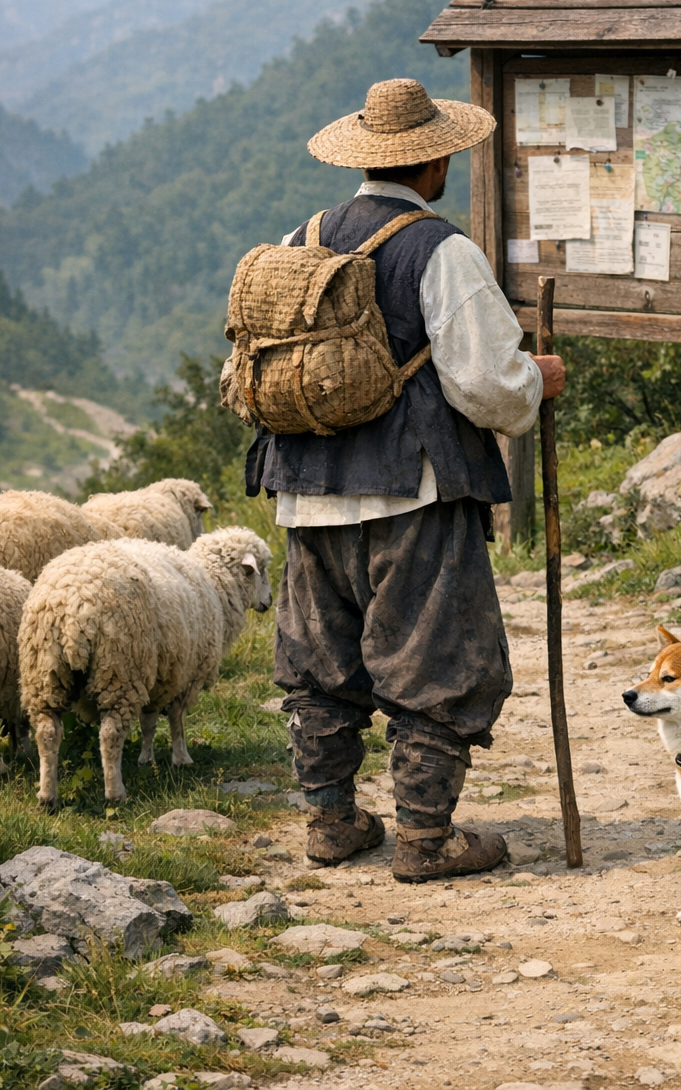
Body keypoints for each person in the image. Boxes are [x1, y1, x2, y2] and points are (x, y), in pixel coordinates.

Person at [245, 77, 564, 882]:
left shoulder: (301, 237)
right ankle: (425, 837)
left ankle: (331, 823)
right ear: (435, 162)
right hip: (411, 489)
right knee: (434, 657)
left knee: (320, 662)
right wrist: (538, 380)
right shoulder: (441, 250)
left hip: (306, 486)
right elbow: (486, 384)